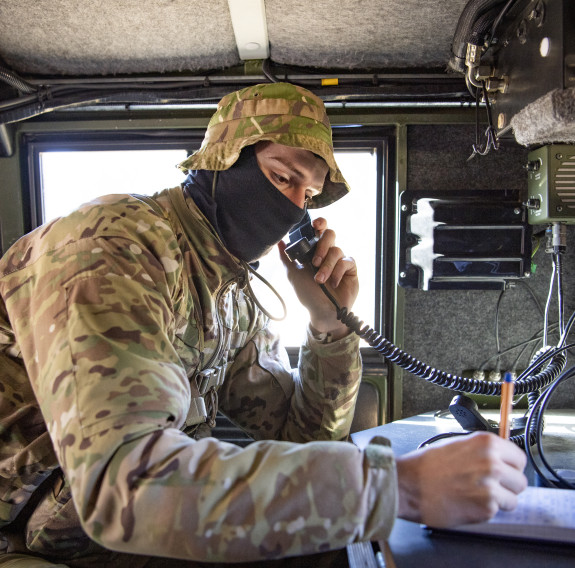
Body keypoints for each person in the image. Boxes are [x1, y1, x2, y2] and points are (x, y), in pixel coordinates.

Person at [0, 82, 527, 567]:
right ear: (221, 161)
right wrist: (396, 490)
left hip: (107, 529)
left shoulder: (231, 295)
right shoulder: (115, 246)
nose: (293, 206)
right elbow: (125, 485)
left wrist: (328, 326)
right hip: (30, 534)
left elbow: (303, 437)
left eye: (309, 195)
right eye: (281, 177)